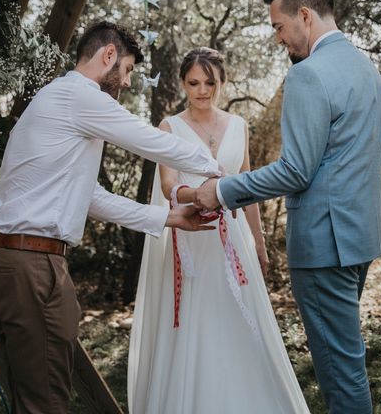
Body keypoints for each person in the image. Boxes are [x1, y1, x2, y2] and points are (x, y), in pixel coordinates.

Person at [0, 21, 222, 414]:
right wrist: (220, 174)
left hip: (32, 258)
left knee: (46, 378)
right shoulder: (79, 95)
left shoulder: (63, 102)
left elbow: (91, 196)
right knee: (45, 396)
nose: (125, 82)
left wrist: (166, 219)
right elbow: (150, 141)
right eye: (126, 70)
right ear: (108, 55)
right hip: (27, 260)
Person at [195, 0, 381, 414]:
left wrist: (222, 191)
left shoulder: (308, 74)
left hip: (323, 249)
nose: (279, 38)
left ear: (304, 15)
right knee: (347, 360)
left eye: (279, 27)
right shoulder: (368, 70)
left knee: (342, 376)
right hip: (360, 241)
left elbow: (296, 171)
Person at [128, 47, 310, 414]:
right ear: (182, 83)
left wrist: (258, 242)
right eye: (194, 82)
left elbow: (248, 191)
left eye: (210, 82)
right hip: (191, 242)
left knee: (242, 323)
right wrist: (197, 196)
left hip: (234, 242)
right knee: (196, 325)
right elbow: (168, 186)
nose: (202, 90)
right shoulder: (170, 127)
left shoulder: (239, 126)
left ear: (222, 83)